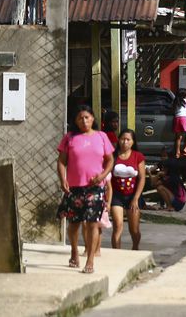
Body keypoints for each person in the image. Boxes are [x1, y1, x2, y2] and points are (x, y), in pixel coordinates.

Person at [57, 106, 114, 274]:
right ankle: (74, 251)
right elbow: (61, 161)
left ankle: (90, 259)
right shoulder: (70, 138)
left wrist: (102, 175)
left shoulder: (101, 137)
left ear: (93, 118)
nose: (84, 121)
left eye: (87, 117)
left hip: (95, 187)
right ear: (76, 121)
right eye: (80, 118)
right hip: (74, 188)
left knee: (92, 224)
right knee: (74, 224)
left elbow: (110, 160)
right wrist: (63, 179)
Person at [109, 129, 146, 250]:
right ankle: (116, 252)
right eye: (122, 139)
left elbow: (142, 178)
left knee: (134, 229)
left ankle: (135, 248)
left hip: (133, 196)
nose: (125, 142)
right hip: (116, 196)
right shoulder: (113, 156)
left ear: (133, 142)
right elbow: (108, 177)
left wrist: (136, 198)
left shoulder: (138, 156)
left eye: (128, 139)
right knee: (118, 226)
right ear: (118, 140)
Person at [172, 88, 186, 158]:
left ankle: (177, 153)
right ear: (185, 95)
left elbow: (173, 110)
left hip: (177, 119)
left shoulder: (175, 101)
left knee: (178, 137)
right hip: (184, 119)